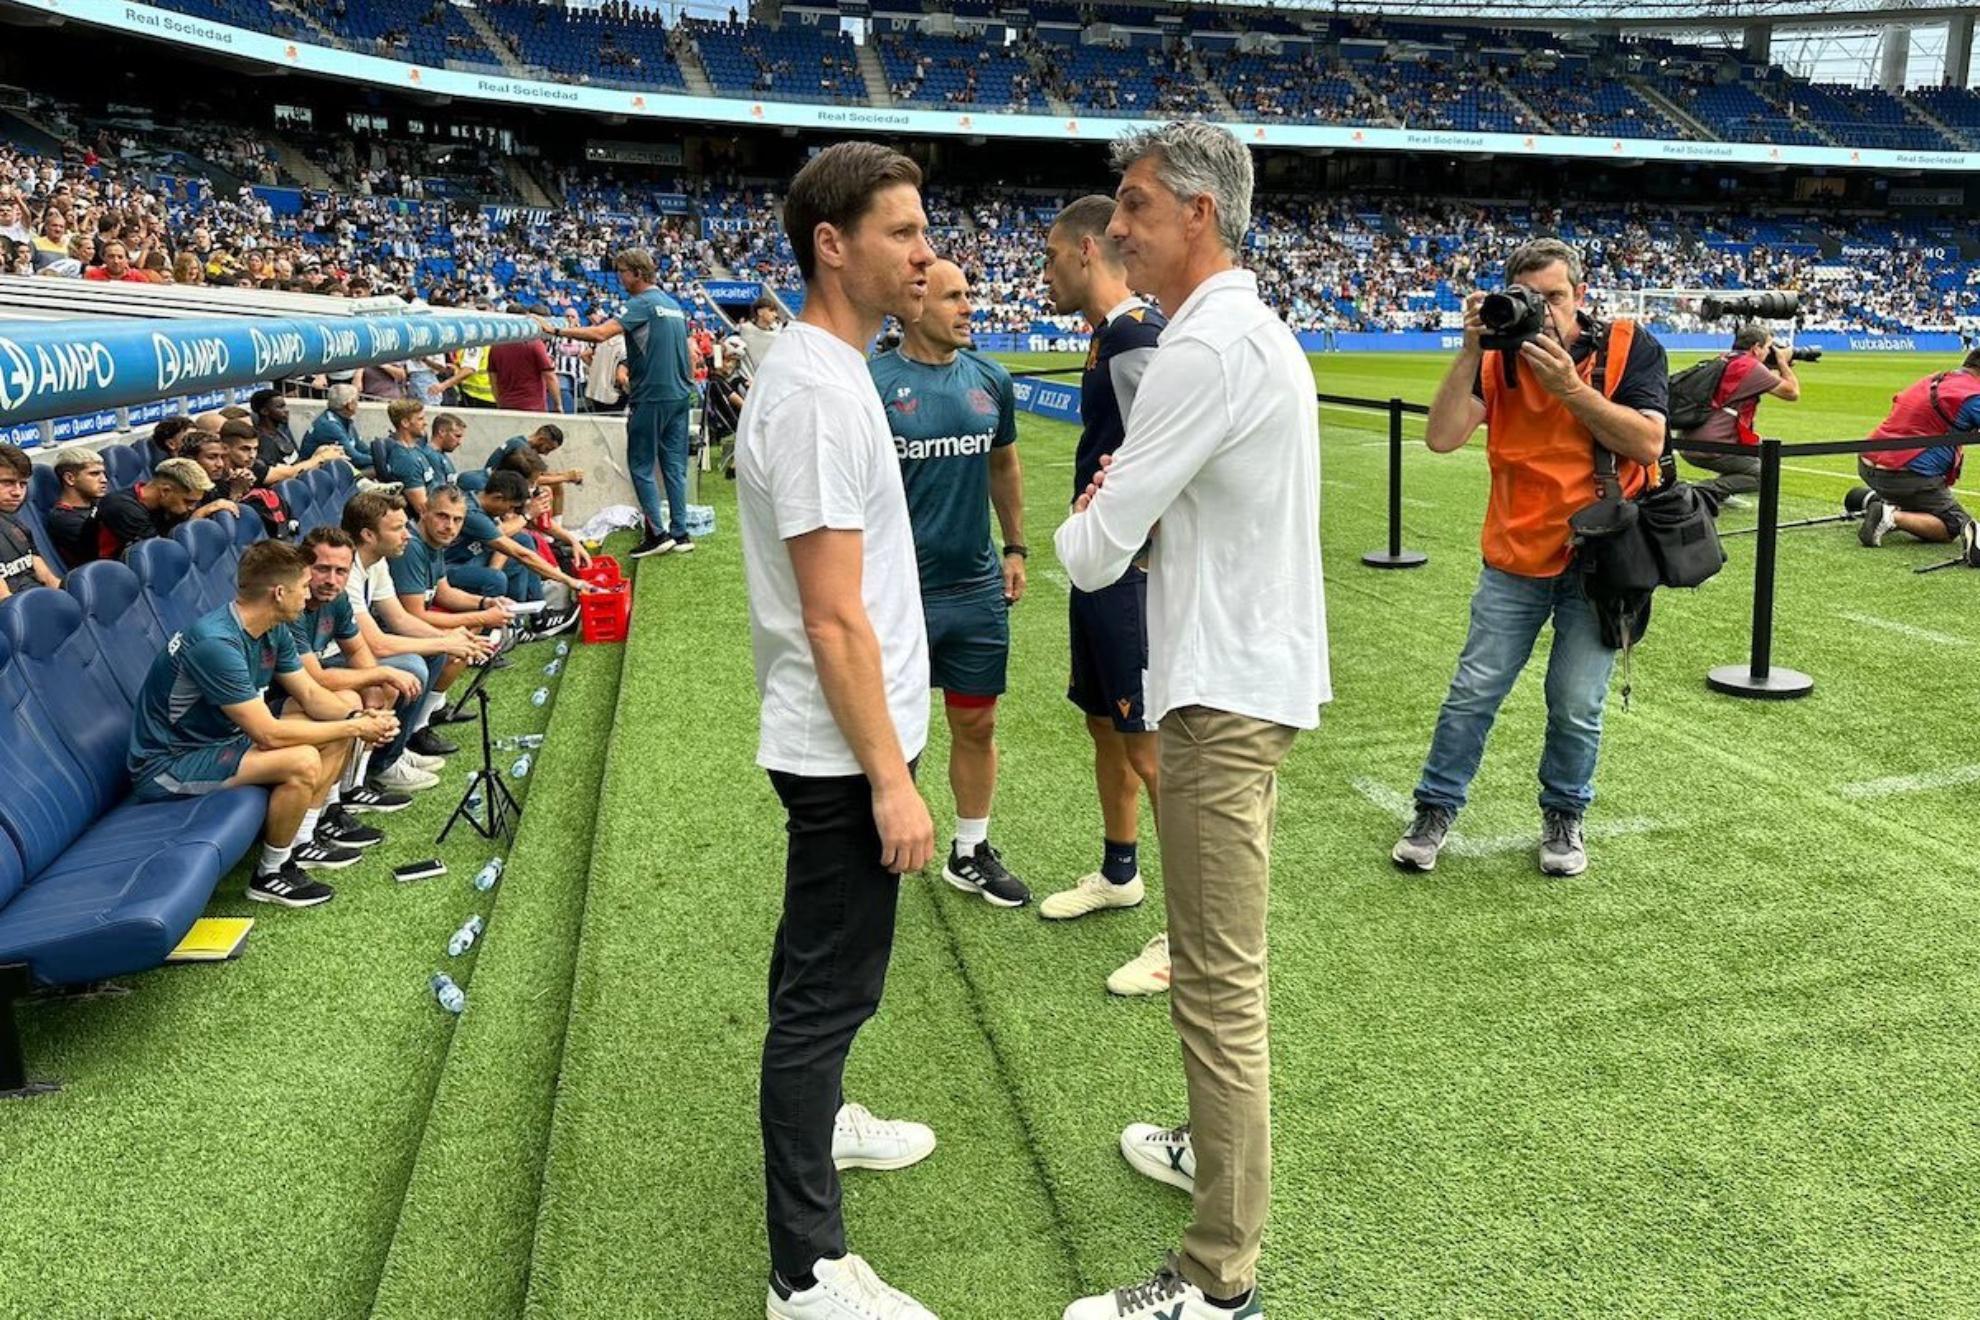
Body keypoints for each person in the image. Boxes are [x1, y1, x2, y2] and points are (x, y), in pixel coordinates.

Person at [1054, 121, 1329, 1320]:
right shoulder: (1239, 333)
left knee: (1216, 986)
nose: (1116, 228)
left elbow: (1092, 548)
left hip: (1222, 689)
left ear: (1199, 213)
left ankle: (1218, 1280)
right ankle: (1209, 1158)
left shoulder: (1202, 350)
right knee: (1217, 970)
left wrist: (1102, 510)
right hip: (1237, 676)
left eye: (1135, 204)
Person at [735, 141, 941, 1320]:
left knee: (820, 974)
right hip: (840, 749)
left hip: (847, 736)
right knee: (825, 996)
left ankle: (825, 1124)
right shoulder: (816, 393)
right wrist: (889, 781)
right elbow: (831, 614)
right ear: (832, 245)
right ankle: (804, 1273)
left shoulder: (833, 367)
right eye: (902, 232)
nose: (924, 253)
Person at [1395, 237, 1669, 881]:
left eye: (1556, 297)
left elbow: (1648, 442)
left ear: (1580, 295)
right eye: (1529, 297)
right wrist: (1471, 349)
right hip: (1515, 552)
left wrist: (1570, 388)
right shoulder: (1495, 356)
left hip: (1599, 558)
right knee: (1473, 692)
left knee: (1576, 702)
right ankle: (1434, 809)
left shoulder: (1628, 346)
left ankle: (1564, 815)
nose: (1543, 310)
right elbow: (1441, 437)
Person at [1035, 193, 1172, 995]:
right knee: (1103, 724)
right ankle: (1120, 873)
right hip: (1102, 565)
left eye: (1052, 257)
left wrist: (1143, 548)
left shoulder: (1135, 337)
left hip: (1132, 570)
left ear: (1088, 250)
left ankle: (1190, 934)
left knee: (1151, 749)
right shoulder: (1106, 338)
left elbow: (1176, 453)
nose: (1044, 274)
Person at [868, 258, 1030, 908]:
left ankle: (969, 850)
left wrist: (1014, 546)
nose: (968, 307)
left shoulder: (991, 379)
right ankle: (875, 848)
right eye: (952, 297)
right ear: (914, 306)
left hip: (975, 590)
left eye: (969, 295)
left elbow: (1004, 465)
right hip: (896, 596)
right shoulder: (873, 383)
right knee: (888, 734)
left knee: (977, 723)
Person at [126, 539, 399, 906]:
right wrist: (355, 728)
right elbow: (268, 734)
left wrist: (359, 718)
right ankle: (270, 874)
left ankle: (303, 841)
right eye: (304, 586)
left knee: (341, 713)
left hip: (223, 738)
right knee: (303, 760)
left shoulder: (274, 626)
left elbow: (311, 695)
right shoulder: (216, 643)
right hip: (170, 763)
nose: (309, 594)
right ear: (279, 593)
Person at [278, 526, 433, 849]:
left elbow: (358, 650)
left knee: (381, 686)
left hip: (306, 690)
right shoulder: (291, 605)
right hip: (280, 698)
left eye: (341, 571)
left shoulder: (337, 598)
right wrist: (368, 700)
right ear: (303, 568)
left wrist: (377, 685)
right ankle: (313, 826)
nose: (331, 580)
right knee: (351, 700)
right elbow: (314, 681)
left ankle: (346, 793)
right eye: (322, 569)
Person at [539, 248, 696, 558]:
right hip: (680, 395)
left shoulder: (642, 304)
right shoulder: (673, 304)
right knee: (674, 467)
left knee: (641, 465)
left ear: (638, 273)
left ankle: (658, 534)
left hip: (651, 396)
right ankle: (681, 533)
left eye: (623, 272)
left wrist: (554, 329)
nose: (619, 278)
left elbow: (600, 334)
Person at [342, 489, 495, 793]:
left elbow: (400, 618)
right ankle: (376, 770)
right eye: (397, 528)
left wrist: (450, 638)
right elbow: (378, 643)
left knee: (433, 654)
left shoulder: (377, 561)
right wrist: (445, 642)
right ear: (368, 535)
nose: (406, 535)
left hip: (355, 650)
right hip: (331, 657)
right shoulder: (346, 571)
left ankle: (395, 752)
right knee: (412, 666)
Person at [1856, 347, 1980, 553]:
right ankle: (1889, 516)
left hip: (1868, 464)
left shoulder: (1937, 379)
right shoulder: (1973, 395)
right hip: (1906, 475)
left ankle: (1882, 501)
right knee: (1955, 524)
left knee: (1918, 497)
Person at [1675, 324, 1800, 513]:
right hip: (1712, 445)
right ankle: (1701, 492)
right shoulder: (1751, 368)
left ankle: (1719, 492)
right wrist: (1782, 361)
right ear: (1756, 348)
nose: (1770, 352)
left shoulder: (1726, 359)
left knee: (1755, 451)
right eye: (1768, 347)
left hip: (1689, 438)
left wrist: (1770, 365)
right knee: (1765, 473)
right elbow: (1792, 392)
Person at [442, 469, 586, 630]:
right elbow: (518, 552)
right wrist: (569, 581)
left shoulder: (484, 500)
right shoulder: (472, 513)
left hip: (469, 559)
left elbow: (517, 539)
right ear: (498, 497)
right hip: (449, 568)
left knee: (523, 540)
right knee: (496, 577)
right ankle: (494, 631)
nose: (509, 512)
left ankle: (535, 618)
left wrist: (572, 541)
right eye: (510, 507)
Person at [94, 456, 222, 560]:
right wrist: (197, 516)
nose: (191, 508)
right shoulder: (122, 507)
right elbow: (161, 554)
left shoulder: (169, 504)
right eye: (188, 502)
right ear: (165, 491)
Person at [0, 444, 60, 598]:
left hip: (37, 600)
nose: (17, 492)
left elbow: (48, 578)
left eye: (23, 484)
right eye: (7, 483)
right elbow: (5, 601)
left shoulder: (15, 523)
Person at [46, 445, 108, 571]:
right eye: (94, 474)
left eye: (103, 473)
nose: (104, 480)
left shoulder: (99, 503)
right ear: (70, 479)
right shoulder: (63, 518)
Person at [488, 313, 563, 413]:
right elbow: (550, 376)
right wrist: (558, 404)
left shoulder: (496, 347)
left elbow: (493, 379)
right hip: (533, 406)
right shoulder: (535, 345)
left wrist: (499, 402)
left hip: (507, 405)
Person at [378, 398, 440, 513]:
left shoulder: (415, 449)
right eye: (420, 419)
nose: (425, 423)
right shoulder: (405, 460)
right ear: (405, 423)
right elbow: (423, 510)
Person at [300, 384, 362, 463]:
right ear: (350, 405)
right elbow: (355, 458)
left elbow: (362, 448)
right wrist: (377, 459)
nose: (358, 404)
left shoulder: (345, 418)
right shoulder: (329, 426)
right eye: (356, 401)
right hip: (313, 469)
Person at [582, 325, 627, 414]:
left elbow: (584, 355)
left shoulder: (602, 342)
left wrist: (596, 367)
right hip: (613, 395)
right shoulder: (627, 347)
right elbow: (621, 377)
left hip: (596, 391)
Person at [251, 389, 300, 468]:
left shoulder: (283, 428)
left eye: (285, 406)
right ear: (264, 411)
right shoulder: (264, 442)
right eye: (280, 407)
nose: (286, 410)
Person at [737, 295, 782, 373]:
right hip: (750, 377)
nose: (775, 315)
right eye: (771, 310)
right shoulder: (744, 331)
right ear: (760, 312)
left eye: (775, 311)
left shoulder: (779, 334)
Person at [83, 239, 147, 282]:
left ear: (127, 259)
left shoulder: (138, 278)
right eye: (111, 256)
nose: (116, 261)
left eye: (120, 257)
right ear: (103, 258)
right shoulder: (92, 275)